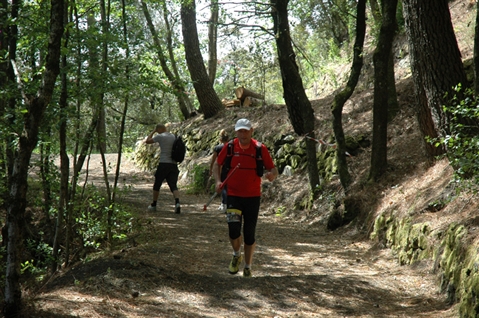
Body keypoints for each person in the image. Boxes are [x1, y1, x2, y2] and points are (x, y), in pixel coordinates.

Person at [212, 118, 278, 277]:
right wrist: (218, 181)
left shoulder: (259, 149)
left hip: (253, 197)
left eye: (246, 130)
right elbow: (217, 165)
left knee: (249, 234)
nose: (243, 134)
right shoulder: (229, 147)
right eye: (240, 131)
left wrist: (271, 175)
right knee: (233, 231)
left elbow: (273, 168)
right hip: (233, 195)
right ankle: (236, 255)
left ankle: (247, 266)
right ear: (236, 132)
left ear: (252, 131)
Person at [145, 124, 181, 214]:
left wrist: (153, 131)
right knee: (173, 185)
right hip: (173, 164)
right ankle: (177, 203)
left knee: (157, 184)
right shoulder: (173, 136)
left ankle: (154, 204)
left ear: (159, 129)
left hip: (164, 163)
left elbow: (147, 141)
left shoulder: (160, 136)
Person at [209, 129, 229, 212]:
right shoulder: (231, 146)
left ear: (220, 139)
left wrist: (211, 169)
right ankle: (225, 203)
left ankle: (224, 204)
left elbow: (213, 160)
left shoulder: (217, 148)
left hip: (221, 169)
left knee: (223, 187)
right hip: (230, 169)